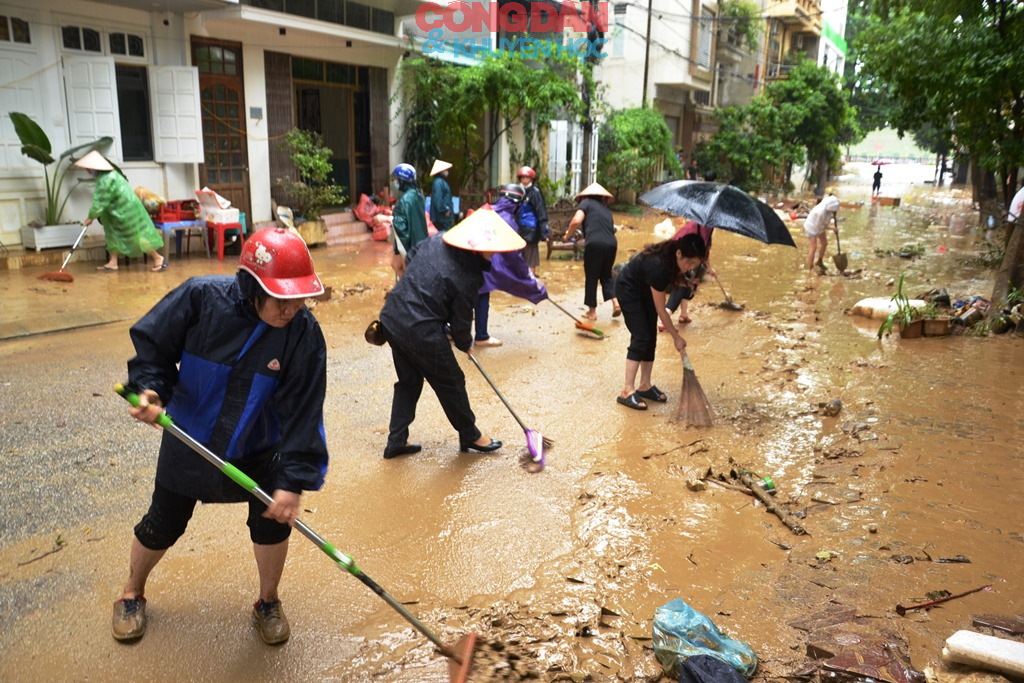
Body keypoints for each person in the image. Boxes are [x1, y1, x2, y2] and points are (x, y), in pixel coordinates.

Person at [111, 227, 329, 646]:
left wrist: (293, 481)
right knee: (163, 524)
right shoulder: (201, 299)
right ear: (252, 286)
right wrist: (150, 388)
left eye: (298, 297)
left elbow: (304, 411)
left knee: (273, 525)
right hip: (190, 437)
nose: (291, 310)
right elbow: (153, 347)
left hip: (261, 448)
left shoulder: (303, 333)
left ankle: (267, 601)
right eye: (280, 298)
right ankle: (131, 592)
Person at [378, 208, 526, 459]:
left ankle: (396, 441)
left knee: (409, 382)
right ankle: (470, 434)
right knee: (452, 380)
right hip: (419, 329)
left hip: (392, 317)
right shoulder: (468, 275)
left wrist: (426, 290)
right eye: (490, 249)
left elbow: (412, 256)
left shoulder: (438, 239)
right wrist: (465, 343)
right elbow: (460, 323)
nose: (493, 254)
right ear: (476, 247)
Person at [614, 234, 706, 410]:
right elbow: (662, 311)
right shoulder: (659, 267)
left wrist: (687, 280)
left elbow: (673, 284)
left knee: (650, 336)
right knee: (641, 336)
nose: (690, 267)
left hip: (645, 289)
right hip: (629, 289)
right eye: (689, 262)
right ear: (679, 253)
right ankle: (627, 390)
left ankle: (645, 385)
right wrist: (676, 337)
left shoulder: (673, 258)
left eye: (695, 264)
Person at [474, 185, 549, 348]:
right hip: (483, 264)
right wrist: (529, 278)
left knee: (464, 296)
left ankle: (450, 329)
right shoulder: (509, 221)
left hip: (468, 260)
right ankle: (481, 336)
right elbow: (513, 256)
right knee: (482, 295)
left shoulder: (485, 209)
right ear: (517, 204)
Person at [74, 150, 166, 272]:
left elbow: (100, 201)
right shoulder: (108, 175)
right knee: (112, 235)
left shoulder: (106, 179)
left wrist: (91, 217)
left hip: (126, 211)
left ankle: (158, 257)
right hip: (117, 211)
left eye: (88, 168)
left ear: (94, 168)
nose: (88, 171)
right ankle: (113, 262)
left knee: (137, 235)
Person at [564, 182, 619, 321]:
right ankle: (616, 303)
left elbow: (576, 221)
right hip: (612, 243)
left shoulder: (586, 203)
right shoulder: (606, 210)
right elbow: (611, 229)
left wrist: (567, 236)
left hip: (595, 244)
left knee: (592, 276)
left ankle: (592, 312)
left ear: (585, 196)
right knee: (606, 275)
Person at [660, 220, 715, 330]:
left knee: (688, 287)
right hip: (687, 258)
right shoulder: (701, 227)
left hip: (688, 259)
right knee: (684, 287)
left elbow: (704, 250)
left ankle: (683, 315)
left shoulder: (700, 226)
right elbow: (701, 250)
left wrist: (709, 268)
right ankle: (665, 317)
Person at [389, 163, 428, 279]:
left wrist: (402, 251)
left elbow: (401, 229)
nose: (395, 182)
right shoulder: (417, 195)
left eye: (397, 179)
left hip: (409, 244)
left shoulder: (404, 200)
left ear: (402, 180)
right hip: (420, 241)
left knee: (408, 273)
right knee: (395, 265)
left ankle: (407, 291)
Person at [516, 166, 550, 275]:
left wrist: (544, 233)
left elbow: (541, 212)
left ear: (531, 179)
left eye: (527, 177)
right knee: (519, 257)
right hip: (518, 229)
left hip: (531, 230)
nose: (525, 179)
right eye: (523, 177)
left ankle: (531, 281)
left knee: (531, 259)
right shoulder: (517, 191)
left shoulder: (535, 192)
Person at [804, 194, 840, 272]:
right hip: (812, 227)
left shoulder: (828, 204)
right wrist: (832, 228)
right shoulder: (820, 213)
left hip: (820, 225)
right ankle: (810, 267)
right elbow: (819, 225)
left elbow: (826, 195)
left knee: (825, 243)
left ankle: (819, 262)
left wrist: (833, 218)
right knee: (814, 247)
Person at [429, 159, 455, 232]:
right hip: (442, 217)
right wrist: (445, 210)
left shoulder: (439, 182)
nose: (447, 172)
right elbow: (438, 199)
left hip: (442, 217)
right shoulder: (439, 183)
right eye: (446, 170)